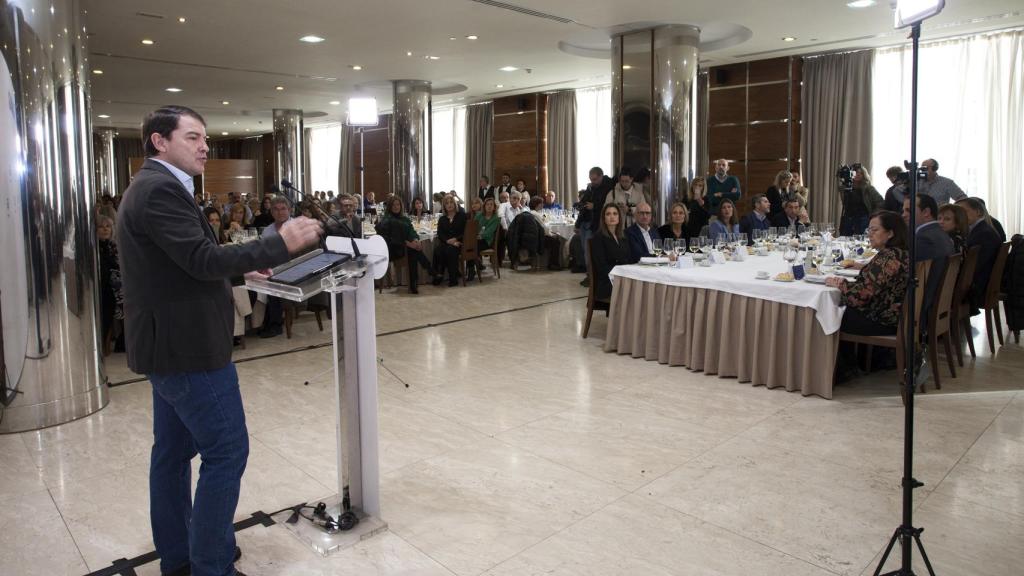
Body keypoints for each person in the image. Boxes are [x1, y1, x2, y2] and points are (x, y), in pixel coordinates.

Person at [118, 106, 322, 576]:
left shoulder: (157, 185)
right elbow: (201, 259)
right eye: (193, 137)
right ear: (159, 142)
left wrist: (241, 270)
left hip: (168, 346)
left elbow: (183, 263)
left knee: (171, 456)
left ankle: (180, 558)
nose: (205, 147)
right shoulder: (159, 190)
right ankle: (210, 566)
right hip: (187, 349)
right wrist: (280, 243)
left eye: (205, 138)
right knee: (227, 451)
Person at [826, 211, 909, 335]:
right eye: (869, 230)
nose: (869, 234)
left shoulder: (888, 257)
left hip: (881, 321)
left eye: (874, 230)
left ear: (890, 233)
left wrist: (839, 284)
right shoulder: (900, 253)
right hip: (893, 316)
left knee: (826, 313)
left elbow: (862, 296)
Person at [903, 193, 954, 314]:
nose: (903, 215)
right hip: (939, 298)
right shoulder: (940, 233)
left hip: (921, 305)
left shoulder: (924, 238)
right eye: (903, 210)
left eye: (908, 210)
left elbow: (905, 273)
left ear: (926, 212)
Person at [375, 196, 432, 294]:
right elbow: (393, 239)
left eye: (398, 204)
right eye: (393, 205)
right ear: (390, 207)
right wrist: (409, 244)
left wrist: (416, 240)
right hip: (392, 250)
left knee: (412, 252)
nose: (396, 207)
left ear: (401, 206)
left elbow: (412, 231)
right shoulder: (387, 220)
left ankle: (414, 283)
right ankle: (426, 272)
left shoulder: (404, 219)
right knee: (412, 250)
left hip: (404, 248)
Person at [957, 197, 1003, 314]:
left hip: (978, 288)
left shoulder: (983, 234)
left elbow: (973, 268)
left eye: (964, 211)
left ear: (978, 212)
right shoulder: (981, 229)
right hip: (981, 282)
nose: (960, 216)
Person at [575, 167, 615, 285]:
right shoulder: (591, 187)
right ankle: (590, 275)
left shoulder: (609, 187)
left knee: (591, 252)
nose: (592, 182)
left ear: (601, 176)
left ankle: (593, 277)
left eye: (595, 179)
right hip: (585, 222)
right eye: (591, 179)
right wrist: (578, 223)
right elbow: (584, 204)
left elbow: (608, 206)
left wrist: (595, 206)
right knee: (586, 251)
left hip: (596, 224)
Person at [590, 203, 630, 302]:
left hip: (623, 277)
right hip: (607, 282)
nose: (612, 217)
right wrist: (624, 271)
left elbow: (628, 259)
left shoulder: (623, 237)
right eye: (608, 214)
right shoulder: (598, 238)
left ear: (619, 217)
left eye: (615, 214)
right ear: (603, 218)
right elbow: (602, 268)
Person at [96, 215, 123, 355]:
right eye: (101, 227)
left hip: (113, 289)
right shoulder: (94, 248)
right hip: (99, 287)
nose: (105, 229)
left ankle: (107, 345)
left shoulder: (114, 246)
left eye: (108, 226)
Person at [839, 165, 883, 236]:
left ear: (864, 175)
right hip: (848, 218)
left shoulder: (868, 188)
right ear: (851, 173)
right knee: (845, 239)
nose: (858, 175)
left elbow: (880, 202)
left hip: (863, 219)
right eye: (856, 172)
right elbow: (845, 203)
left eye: (861, 173)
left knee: (861, 239)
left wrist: (873, 215)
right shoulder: (846, 188)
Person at [432, 195, 466, 286]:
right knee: (437, 250)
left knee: (450, 250)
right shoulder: (442, 219)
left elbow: (465, 232)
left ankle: (453, 278)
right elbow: (440, 233)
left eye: (451, 202)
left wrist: (456, 239)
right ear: (444, 206)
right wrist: (448, 241)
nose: (449, 205)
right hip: (447, 243)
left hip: (460, 243)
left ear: (455, 204)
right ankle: (438, 275)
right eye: (447, 203)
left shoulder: (462, 216)